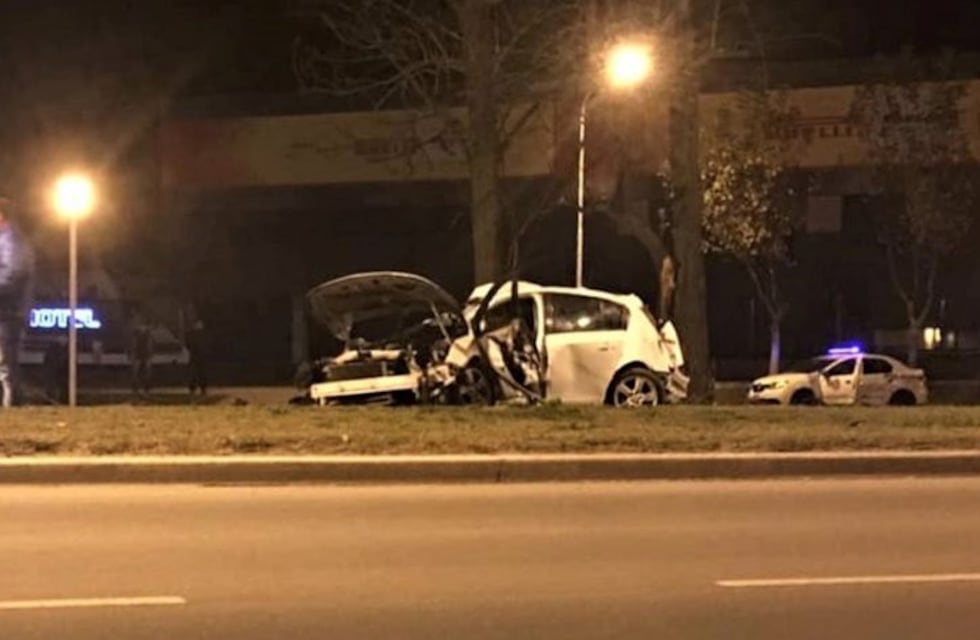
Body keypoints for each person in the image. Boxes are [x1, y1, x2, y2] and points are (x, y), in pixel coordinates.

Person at [0, 197, 35, 408]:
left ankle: (12, 404)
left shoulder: (13, 241)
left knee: (6, 363)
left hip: (8, 311)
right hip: (7, 310)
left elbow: (12, 275)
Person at [128, 308, 154, 397]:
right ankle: (136, 389)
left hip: (144, 352)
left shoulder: (146, 330)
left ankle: (145, 389)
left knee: (146, 371)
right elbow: (133, 342)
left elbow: (149, 342)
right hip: (139, 352)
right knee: (137, 371)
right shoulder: (137, 331)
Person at [185, 319, 209, 396]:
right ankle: (193, 388)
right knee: (194, 373)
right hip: (196, 355)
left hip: (199, 356)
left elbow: (188, 344)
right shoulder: (193, 334)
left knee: (200, 373)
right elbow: (188, 344)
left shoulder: (201, 335)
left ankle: (202, 388)